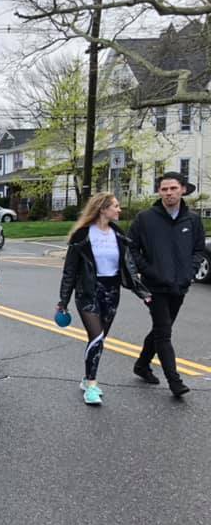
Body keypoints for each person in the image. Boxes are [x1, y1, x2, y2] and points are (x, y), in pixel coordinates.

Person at [59, 192, 151, 405]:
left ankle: (86, 378)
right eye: (115, 206)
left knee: (98, 341)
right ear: (103, 209)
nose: (119, 210)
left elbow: (128, 269)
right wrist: (63, 302)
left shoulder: (118, 235)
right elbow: (69, 272)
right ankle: (92, 385)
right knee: (97, 336)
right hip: (88, 292)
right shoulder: (82, 236)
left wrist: (143, 294)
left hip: (111, 292)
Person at [129, 171, 206, 396]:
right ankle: (175, 382)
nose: (169, 193)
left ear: (183, 189)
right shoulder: (145, 218)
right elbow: (132, 248)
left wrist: (189, 272)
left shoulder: (192, 220)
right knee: (164, 332)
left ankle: (142, 365)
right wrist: (149, 270)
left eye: (173, 188)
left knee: (162, 328)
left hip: (180, 285)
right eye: (164, 189)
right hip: (154, 286)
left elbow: (199, 250)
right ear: (159, 192)